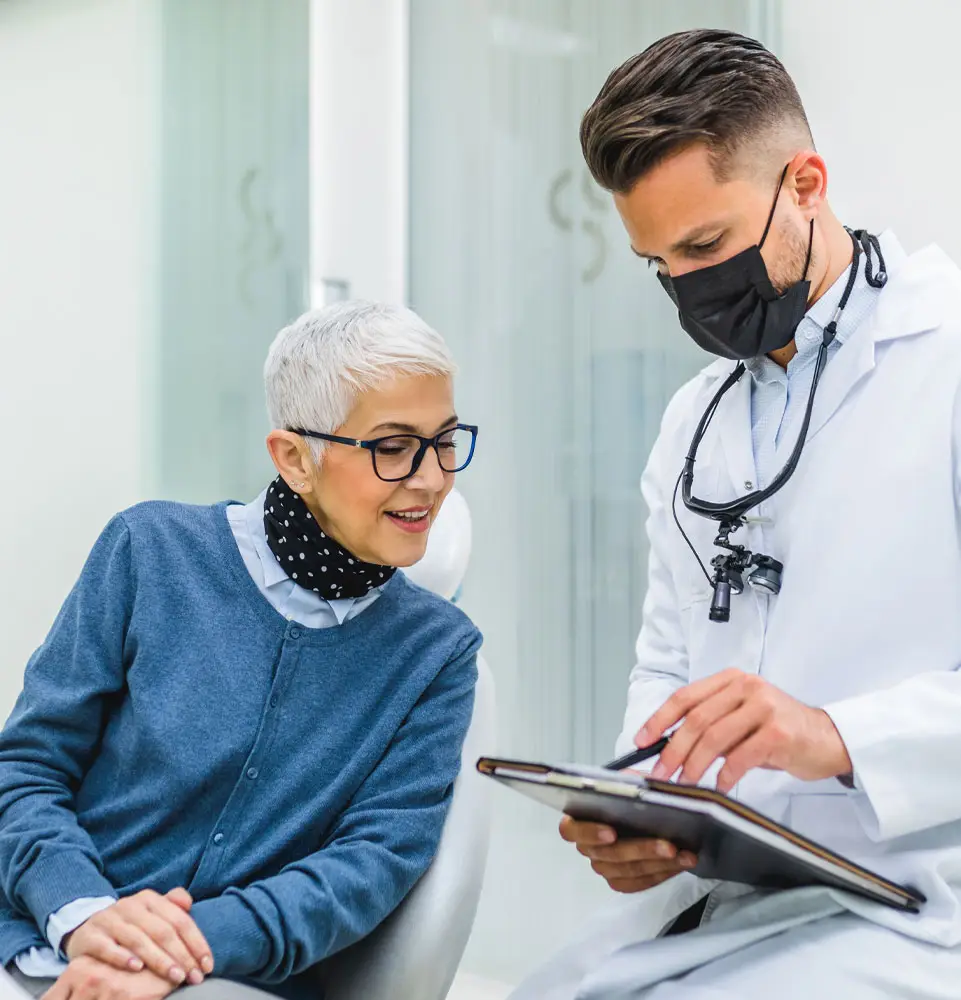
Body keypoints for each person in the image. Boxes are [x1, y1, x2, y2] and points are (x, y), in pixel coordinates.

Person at [512, 28, 961, 1000]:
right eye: (657, 262)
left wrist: (832, 735)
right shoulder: (693, 426)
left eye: (707, 245)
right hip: (741, 896)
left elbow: (815, 729)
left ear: (804, 182)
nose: (688, 287)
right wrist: (649, 816)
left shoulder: (949, 362)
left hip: (927, 900)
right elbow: (668, 669)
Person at [0, 301, 482, 1000]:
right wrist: (86, 917)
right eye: (392, 447)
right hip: (41, 939)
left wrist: (175, 950)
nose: (433, 478)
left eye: (444, 441)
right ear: (294, 458)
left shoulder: (436, 654)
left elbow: (371, 862)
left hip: (221, 981)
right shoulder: (150, 552)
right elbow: (26, 770)